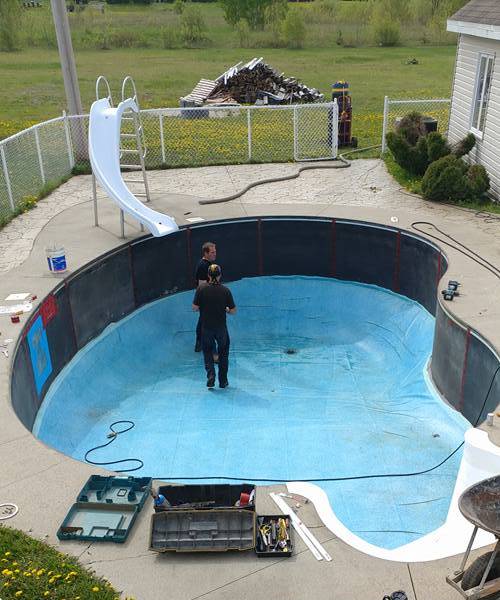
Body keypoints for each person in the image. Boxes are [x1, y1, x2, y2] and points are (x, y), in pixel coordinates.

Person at [192, 264, 236, 389]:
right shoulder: (225, 290)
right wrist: (226, 309)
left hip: (206, 328)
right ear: (220, 275)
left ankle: (211, 375)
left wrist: (203, 306)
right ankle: (223, 381)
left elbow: (194, 308)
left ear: (208, 275)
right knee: (223, 354)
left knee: (207, 352)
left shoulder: (201, 289)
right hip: (221, 328)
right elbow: (233, 310)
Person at [194, 242, 217, 352]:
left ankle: (199, 343)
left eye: (215, 252)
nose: (214, 254)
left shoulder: (208, 264)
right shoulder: (203, 266)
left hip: (207, 298)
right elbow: (201, 285)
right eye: (212, 252)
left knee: (202, 321)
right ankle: (205, 345)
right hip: (206, 299)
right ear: (205, 253)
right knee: (206, 322)